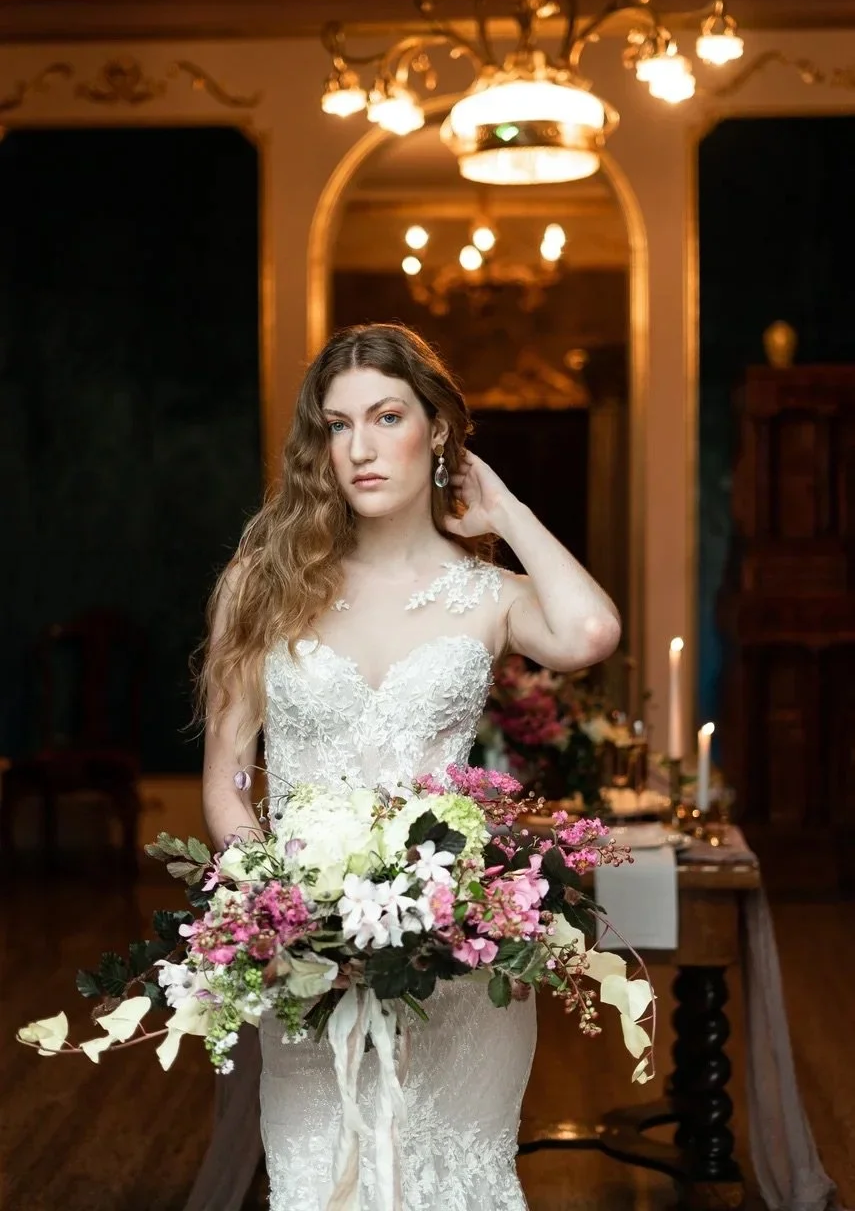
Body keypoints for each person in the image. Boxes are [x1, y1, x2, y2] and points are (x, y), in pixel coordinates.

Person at [197, 322, 621, 1210]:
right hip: (308, 962)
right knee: (319, 1183)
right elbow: (229, 776)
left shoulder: (488, 596)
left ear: (436, 430)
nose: (358, 448)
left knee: (457, 1184)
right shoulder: (263, 582)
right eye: (336, 425)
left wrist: (502, 510)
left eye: (386, 417)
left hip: (454, 964)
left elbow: (589, 632)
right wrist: (276, 910)